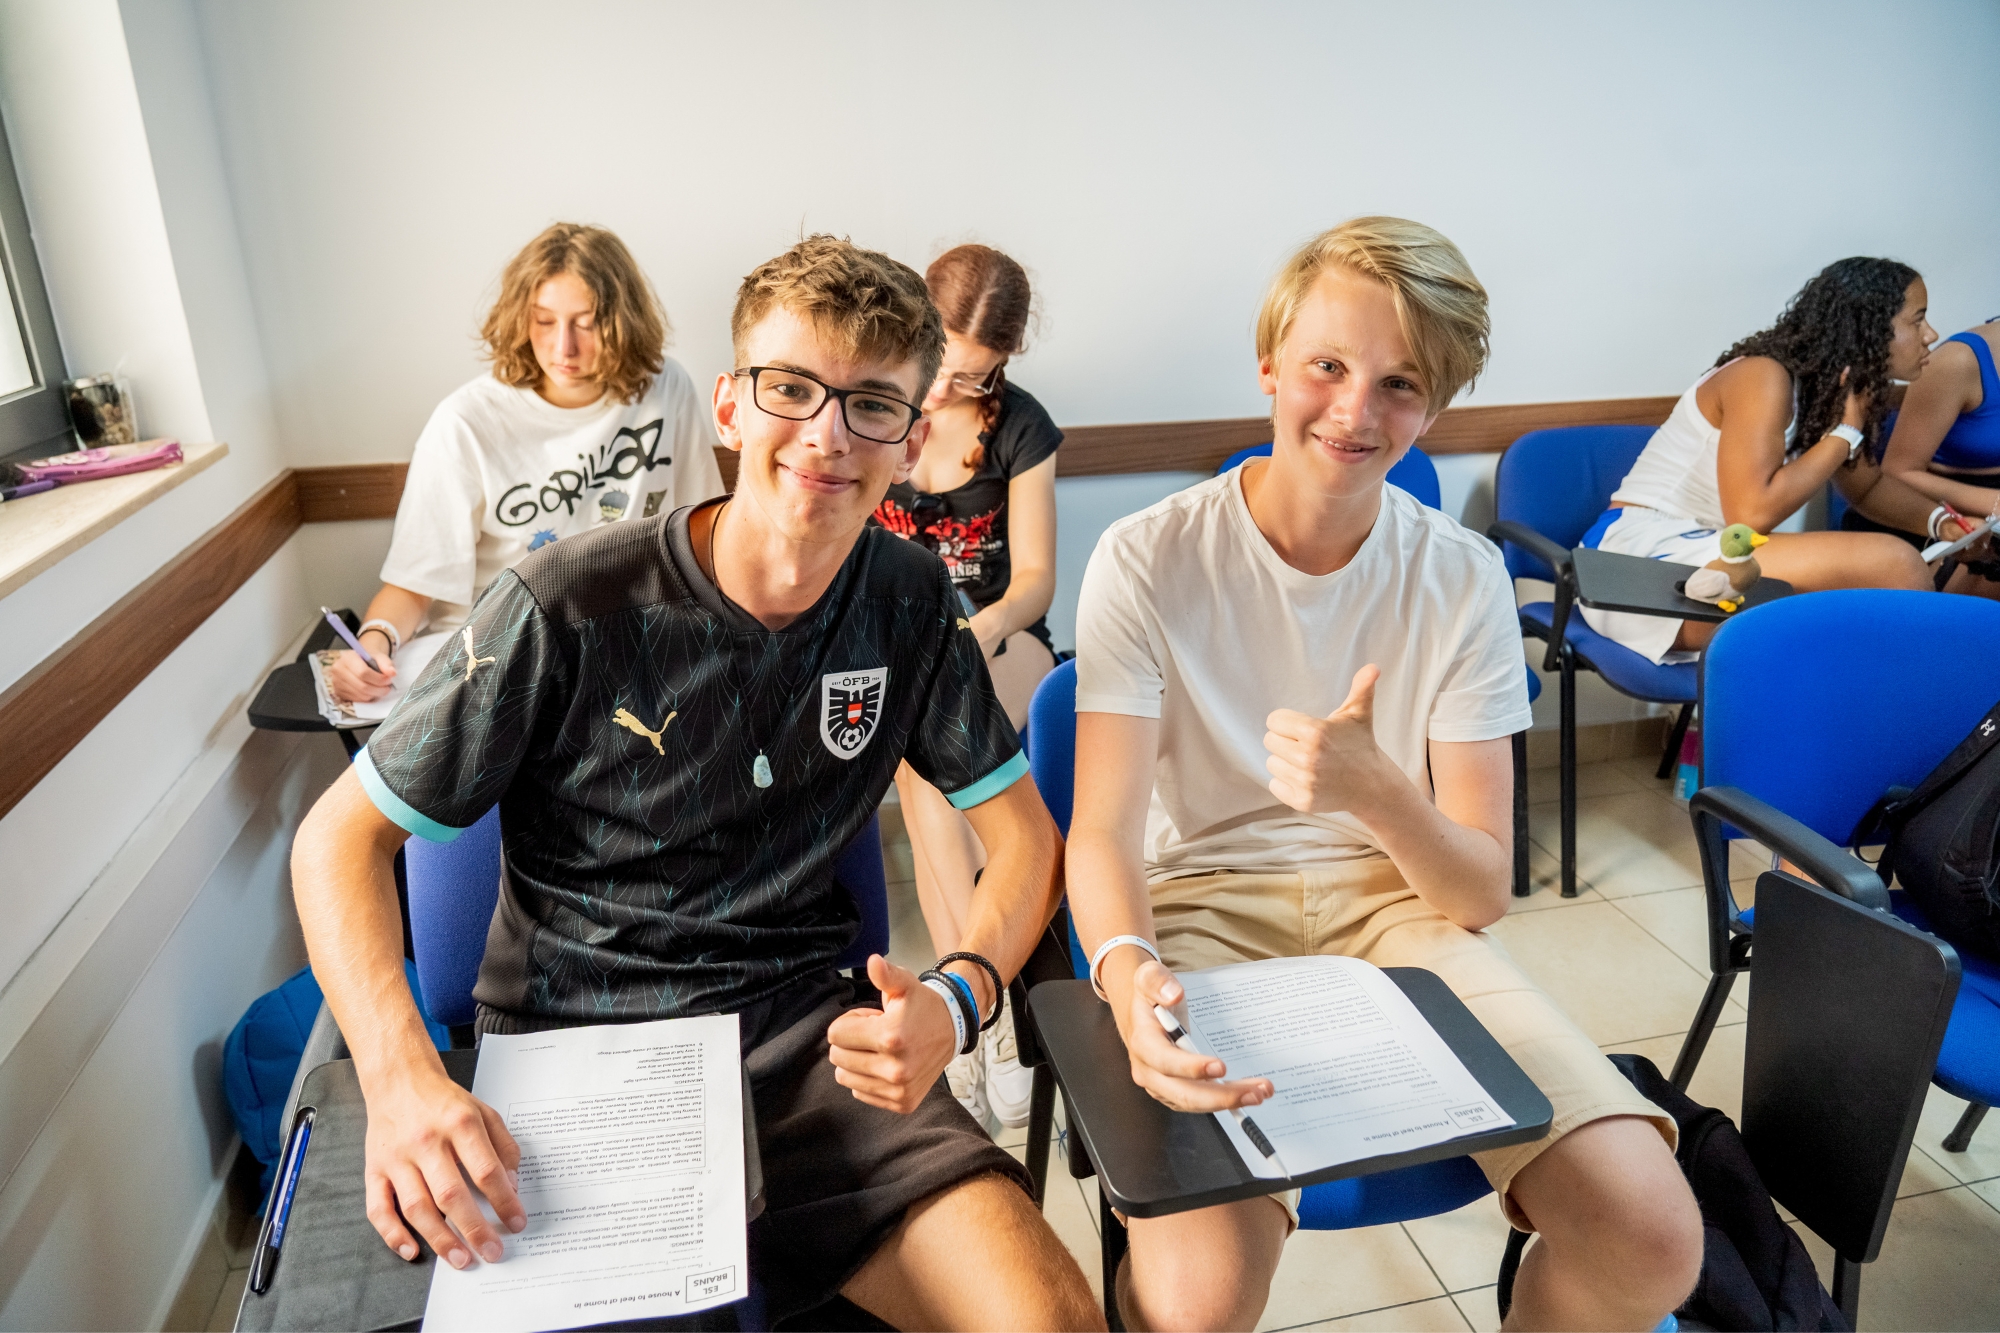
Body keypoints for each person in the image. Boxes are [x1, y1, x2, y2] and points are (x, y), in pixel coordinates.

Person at [290, 235, 1099, 1331]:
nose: (824, 433)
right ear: (727, 405)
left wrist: (956, 1003)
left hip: (816, 1053)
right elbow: (335, 841)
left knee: (1047, 1318)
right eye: (791, 389)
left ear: (911, 441)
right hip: (583, 1055)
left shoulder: (907, 600)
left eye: (870, 405)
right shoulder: (566, 601)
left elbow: (1024, 841)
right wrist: (397, 1077)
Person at [1068, 217, 1703, 1332]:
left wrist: (1375, 790)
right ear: (1269, 365)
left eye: (1399, 384)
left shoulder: (1458, 577)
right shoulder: (1148, 554)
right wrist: (1125, 978)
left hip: (1397, 919)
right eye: (1325, 367)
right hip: (1204, 912)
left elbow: (1474, 892)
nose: (1355, 412)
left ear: (1435, 407)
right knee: (1198, 1294)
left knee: (1649, 1235)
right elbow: (1106, 832)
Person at [325, 222, 723, 703]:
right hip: (503, 662)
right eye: (544, 320)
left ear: (622, 320)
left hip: (627, 648)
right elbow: (412, 587)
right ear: (520, 318)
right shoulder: (466, 422)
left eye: (588, 321)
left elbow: (706, 539)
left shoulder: (664, 389)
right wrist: (371, 646)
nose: (564, 347)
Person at [1580, 257, 1990, 665]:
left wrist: (1942, 524)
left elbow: (1867, 488)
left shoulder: (1829, 391)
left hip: (1717, 559)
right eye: (1917, 321)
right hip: (1634, 565)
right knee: (1895, 565)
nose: (1931, 335)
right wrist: (1844, 433)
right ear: (1870, 327)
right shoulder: (1761, 375)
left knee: (1871, 613)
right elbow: (1751, 515)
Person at [873, 243, 1061, 1129]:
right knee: (927, 767)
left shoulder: (1021, 427)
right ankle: (983, 1011)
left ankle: (969, 1007)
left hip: (999, 638)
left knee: (938, 750)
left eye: (977, 373)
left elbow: (1034, 584)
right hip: (899, 647)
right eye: (945, 363)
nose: (950, 388)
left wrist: (972, 633)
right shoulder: (877, 400)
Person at [1876, 315, 2000, 543]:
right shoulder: (1958, 360)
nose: (1930, 335)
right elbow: (1896, 472)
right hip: (1939, 510)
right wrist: (1994, 503)